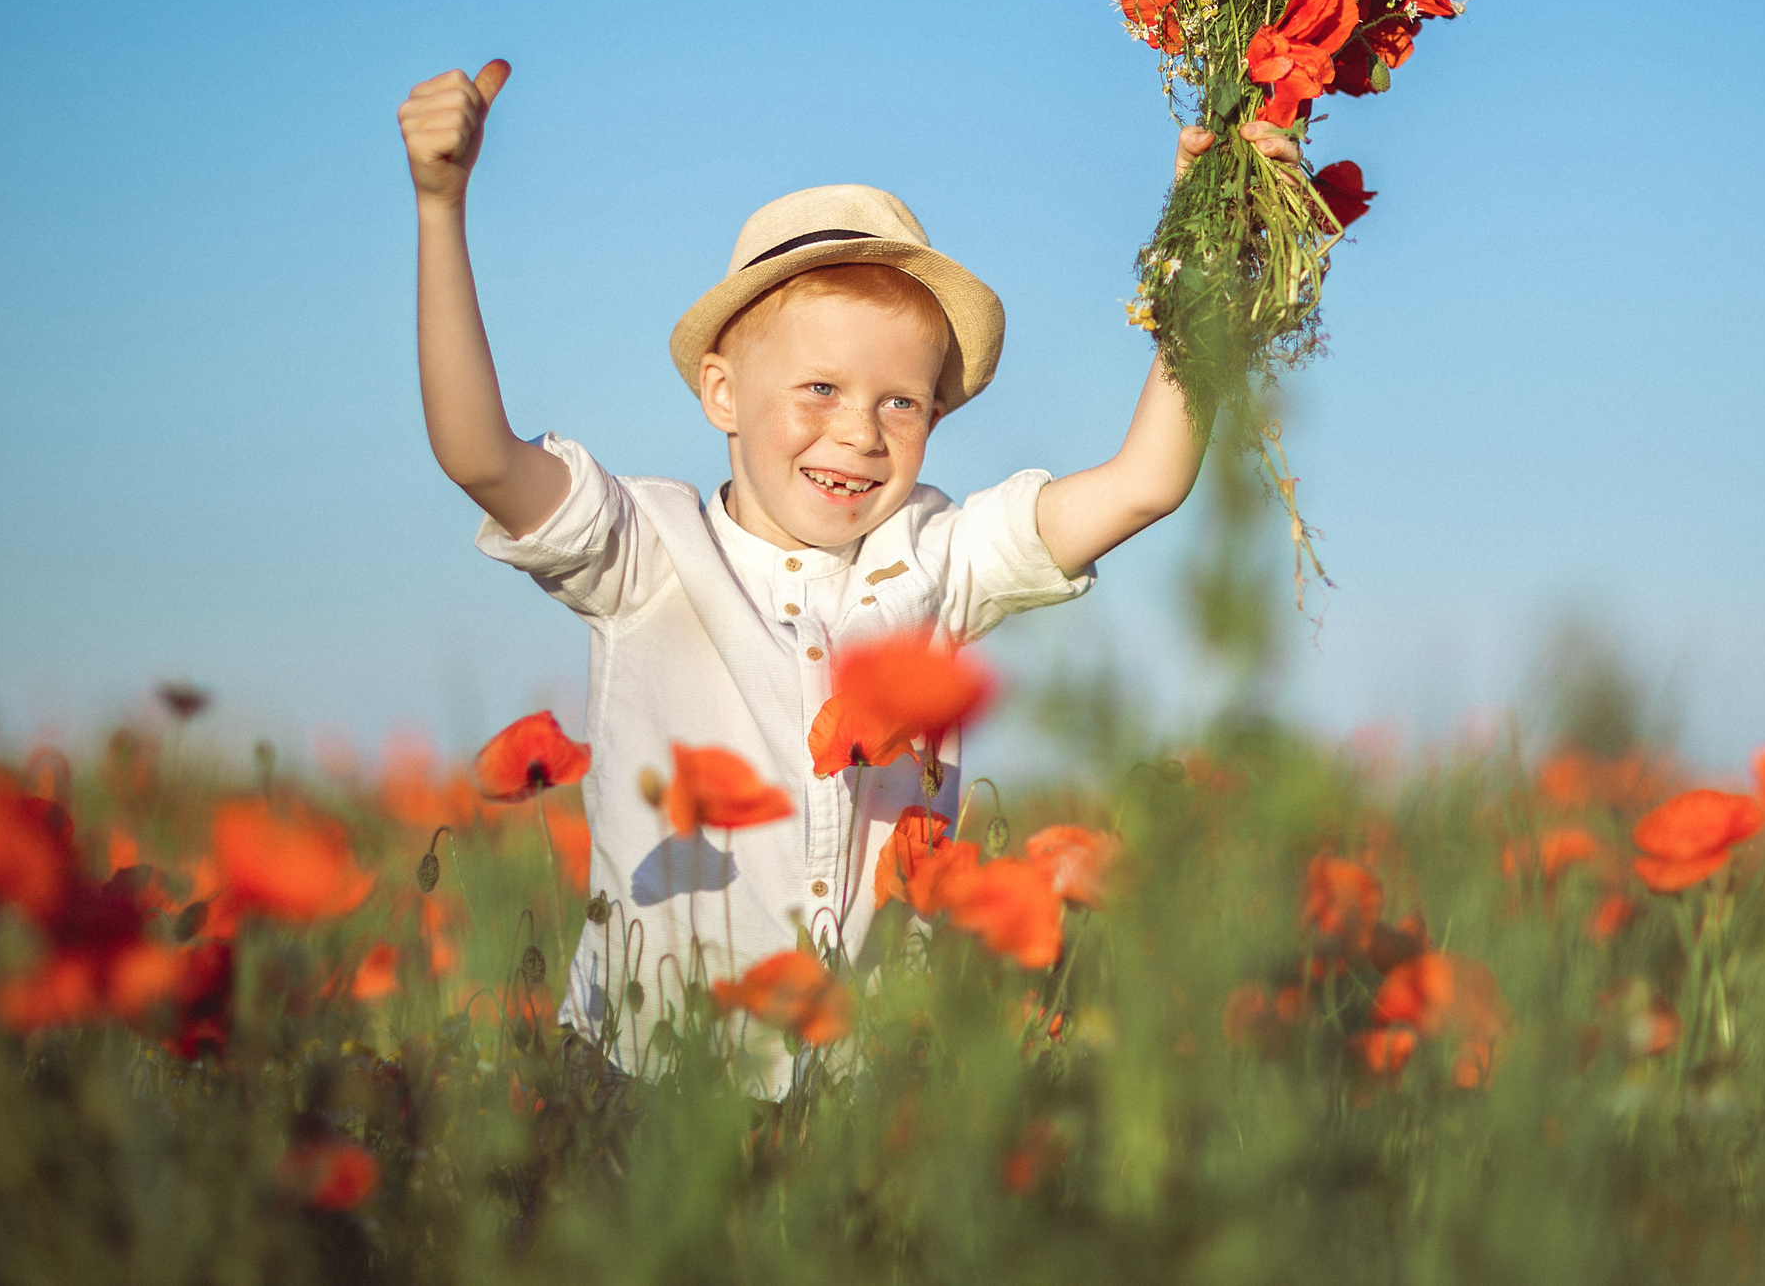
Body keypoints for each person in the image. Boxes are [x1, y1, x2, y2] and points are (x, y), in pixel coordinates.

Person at [397, 57, 1291, 1081]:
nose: (859, 432)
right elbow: (477, 455)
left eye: (899, 403)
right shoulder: (646, 552)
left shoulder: (936, 560)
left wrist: (1207, 260)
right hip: (646, 1082)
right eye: (818, 388)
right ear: (721, 393)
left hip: (860, 1099)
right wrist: (439, 207)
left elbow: (1144, 483)